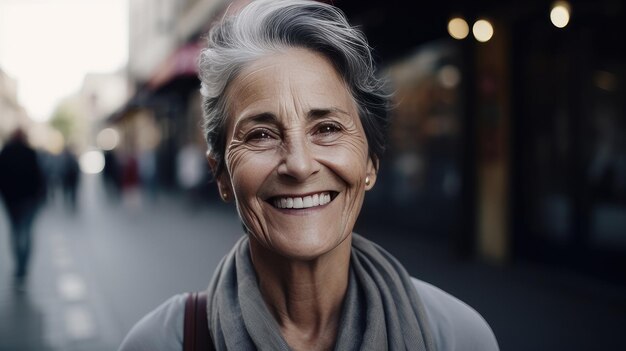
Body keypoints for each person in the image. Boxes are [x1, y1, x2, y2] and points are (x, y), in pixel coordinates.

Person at [119, 1, 499, 350]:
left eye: (328, 129)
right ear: (220, 173)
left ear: (371, 162)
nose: (300, 166)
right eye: (261, 135)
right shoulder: (161, 342)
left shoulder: (457, 337)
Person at [0, 128, 46, 288]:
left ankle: (19, 265)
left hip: (11, 200)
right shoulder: (30, 152)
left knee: (15, 231)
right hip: (28, 200)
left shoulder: (5, 152)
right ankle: (23, 265)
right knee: (25, 231)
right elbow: (39, 176)